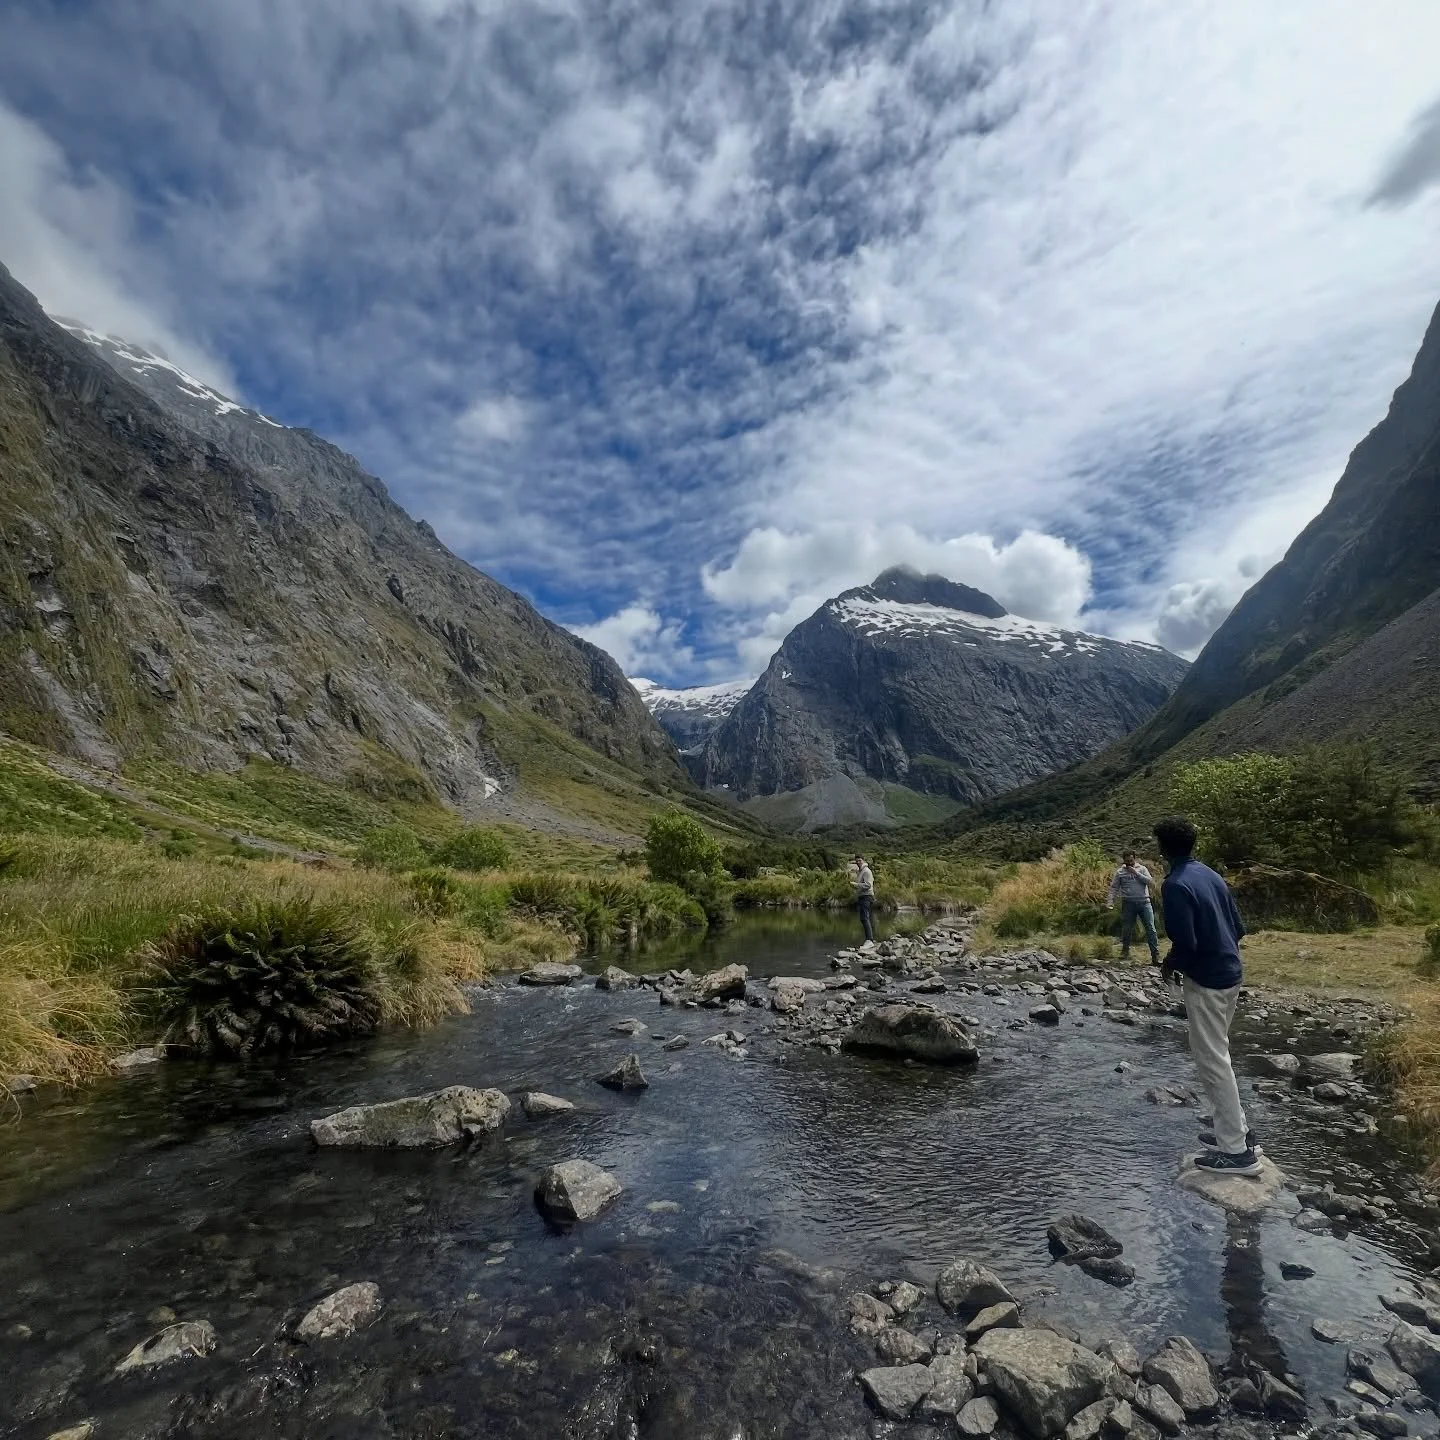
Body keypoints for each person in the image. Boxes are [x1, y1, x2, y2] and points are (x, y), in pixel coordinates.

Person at [1153, 815, 1260, 1175]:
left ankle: (1237, 1154)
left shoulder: (1175, 884)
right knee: (1220, 1054)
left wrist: (1169, 965)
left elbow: (1187, 943)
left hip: (1207, 982)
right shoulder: (1210, 874)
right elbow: (1239, 928)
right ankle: (1239, 1133)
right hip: (1230, 973)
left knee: (1213, 1061)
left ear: (1162, 848)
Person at [1106, 848, 1160, 964]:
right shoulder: (1120, 872)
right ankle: (1125, 952)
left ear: (1134, 859)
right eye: (1126, 861)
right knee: (1127, 929)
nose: (1129, 863)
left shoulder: (1142, 869)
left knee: (1151, 928)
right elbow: (1114, 887)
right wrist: (1110, 901)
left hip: (1144, 902)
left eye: (1131, 860)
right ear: (1123, 860)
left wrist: (1136, 873)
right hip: (1128, 903)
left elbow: (1150, 882)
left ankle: (1155, 956)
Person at [849, 853, 876, 943]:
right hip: (863, 896)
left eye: (859, 860)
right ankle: (869, 939)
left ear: (863, 860)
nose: (858, 862)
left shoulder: (866, 871)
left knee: (864, 918)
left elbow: (868, 885)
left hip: (867, 896)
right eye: (856, 861)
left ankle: (869, 940)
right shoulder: (860, 871)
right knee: (864, 918)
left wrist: (856, 885)